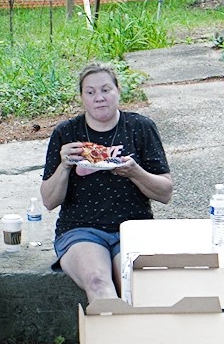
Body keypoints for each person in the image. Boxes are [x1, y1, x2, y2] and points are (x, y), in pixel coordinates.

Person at [39, 62, 174, 300]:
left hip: (132, 227)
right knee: (97, 280)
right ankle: (109, 336)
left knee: (134, 285)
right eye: (90, 92)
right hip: (81, 229)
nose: (99, 98)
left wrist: (135, 172)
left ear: (118, 91)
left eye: (105, 90)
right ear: (82, 98)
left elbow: (165, 193)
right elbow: (49, 201)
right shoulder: (66, 133)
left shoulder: (140, 128)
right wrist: (64, 166)